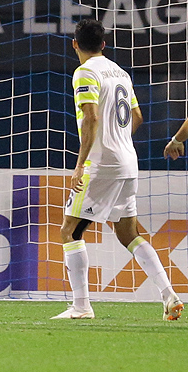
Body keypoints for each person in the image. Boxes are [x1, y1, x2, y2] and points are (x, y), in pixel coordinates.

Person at [52, 19, 183, 320]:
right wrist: (120, 140)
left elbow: (91, 118)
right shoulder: (120, 72)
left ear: (75, 44)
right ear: (104, 44)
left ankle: (82, 306)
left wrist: (80, 164)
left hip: (101, 164)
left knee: (69, 232)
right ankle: (169, 294)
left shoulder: (84, 72)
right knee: (129, 234)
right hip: (128, 161)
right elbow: (136, 115)